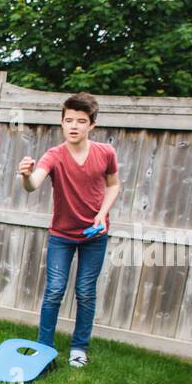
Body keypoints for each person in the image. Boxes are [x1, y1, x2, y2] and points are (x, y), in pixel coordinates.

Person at [18, 92, 120, 368]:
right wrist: (26, 175)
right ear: (62, 123)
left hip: (94, 235)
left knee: (86, 291)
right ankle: (44, 347)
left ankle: (79, 347)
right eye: (69, 120)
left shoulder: (106, 153)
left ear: (92, 125)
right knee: (54, 289)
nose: (74, 126)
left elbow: (113, 185)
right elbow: (33, 185)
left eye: (81, 121)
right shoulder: (54, 156)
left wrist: (101, 215)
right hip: (62, 235)